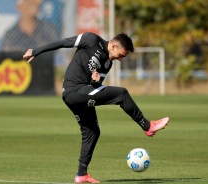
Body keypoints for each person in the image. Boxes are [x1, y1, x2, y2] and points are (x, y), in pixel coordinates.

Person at [23, 32, 169, 183]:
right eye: (120, 55)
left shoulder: (108, 63)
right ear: (113, 46)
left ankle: (81, 175)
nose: (120, 59)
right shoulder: (91, 40)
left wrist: (96, 81)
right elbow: (63, 42)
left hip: (82, 93)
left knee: (92, 131)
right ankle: (147, 126)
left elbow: (96, 88)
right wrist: (36, 51)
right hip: (74, 91)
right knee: (121, 94)